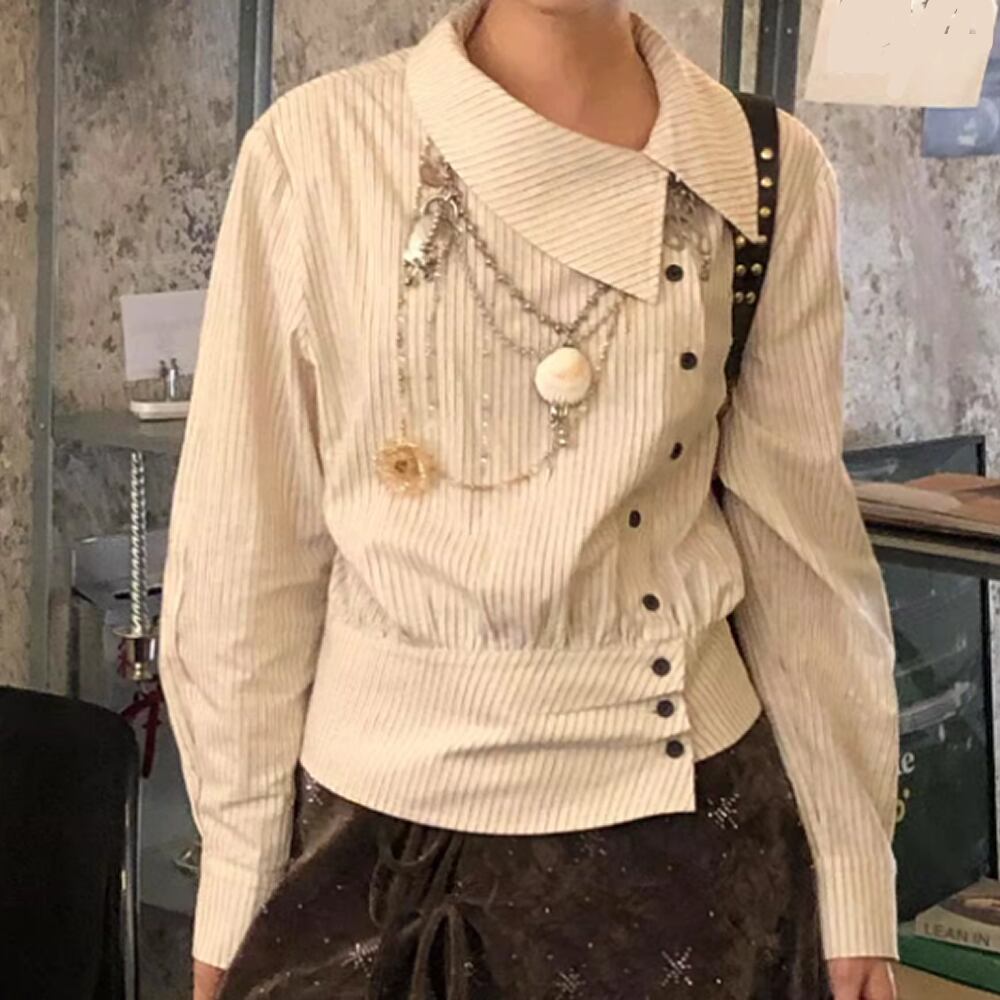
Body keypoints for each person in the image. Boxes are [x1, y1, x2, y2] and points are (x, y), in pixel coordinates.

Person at [158, 1, 901, 998]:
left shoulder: (764, 169)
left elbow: (802, 557)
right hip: (369, 851)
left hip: (691, 849)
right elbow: (247, 556)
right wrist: (236, 884)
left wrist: (854, 875)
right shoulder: (314, 151)